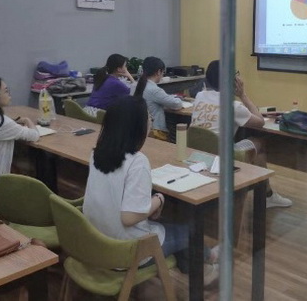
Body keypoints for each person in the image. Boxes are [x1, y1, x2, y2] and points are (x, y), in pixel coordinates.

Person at [83, 96, 218, 283]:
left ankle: (199, 268)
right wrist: (158, 200)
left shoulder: (96, 153)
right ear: (136, 126)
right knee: (191, 230)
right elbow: (129, 217)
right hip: (126, 251)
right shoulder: (137, 162)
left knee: (168, 225)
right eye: (148, 117)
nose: (151, 120)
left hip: (97, 241)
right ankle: (209, 259)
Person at [191, 60, 292, 209]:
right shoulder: (234, 106)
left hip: (197, 154)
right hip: (222, 156)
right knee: (259, 143)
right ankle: (267, 195)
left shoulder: (200, 96)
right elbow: (260, 121)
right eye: (236, 74)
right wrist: (243, 95)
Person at [133, 56, 184, 141]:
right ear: (159, 72)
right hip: (154, 131)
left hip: (138, 128)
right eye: (163, 72)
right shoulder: (154, 90)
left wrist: (169, 97)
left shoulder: (135, 85)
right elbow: (176, 104)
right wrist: (179, 99)